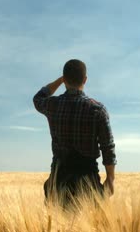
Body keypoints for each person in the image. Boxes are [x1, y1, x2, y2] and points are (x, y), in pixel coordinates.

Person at [33, 59, 116, 207]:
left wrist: (60, 80)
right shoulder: (97, 110)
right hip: (87, 182)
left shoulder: (53, 105)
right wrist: (110, 178)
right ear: (85, 79)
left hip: (58, 180)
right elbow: (107, 147)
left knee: (56, 227)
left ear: (64, 79)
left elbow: (38, 98)